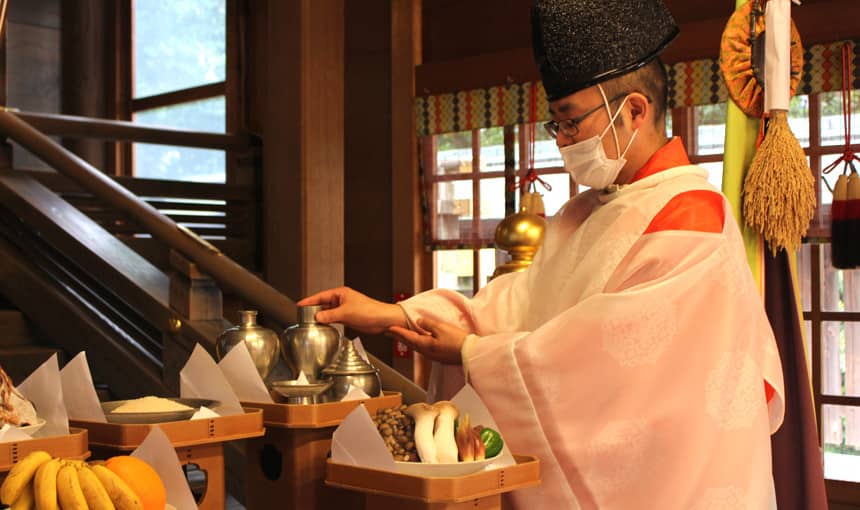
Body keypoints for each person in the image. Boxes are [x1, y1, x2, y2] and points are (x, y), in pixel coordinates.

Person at [299, 0, 785, 507]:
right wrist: (395, 314)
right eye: (557, 126)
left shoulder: (693, 219)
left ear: (635, 111)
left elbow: (604, 357)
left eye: (571, 123)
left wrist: (469, 353)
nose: (564, 143)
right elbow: (516, 303)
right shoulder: (584, 212)